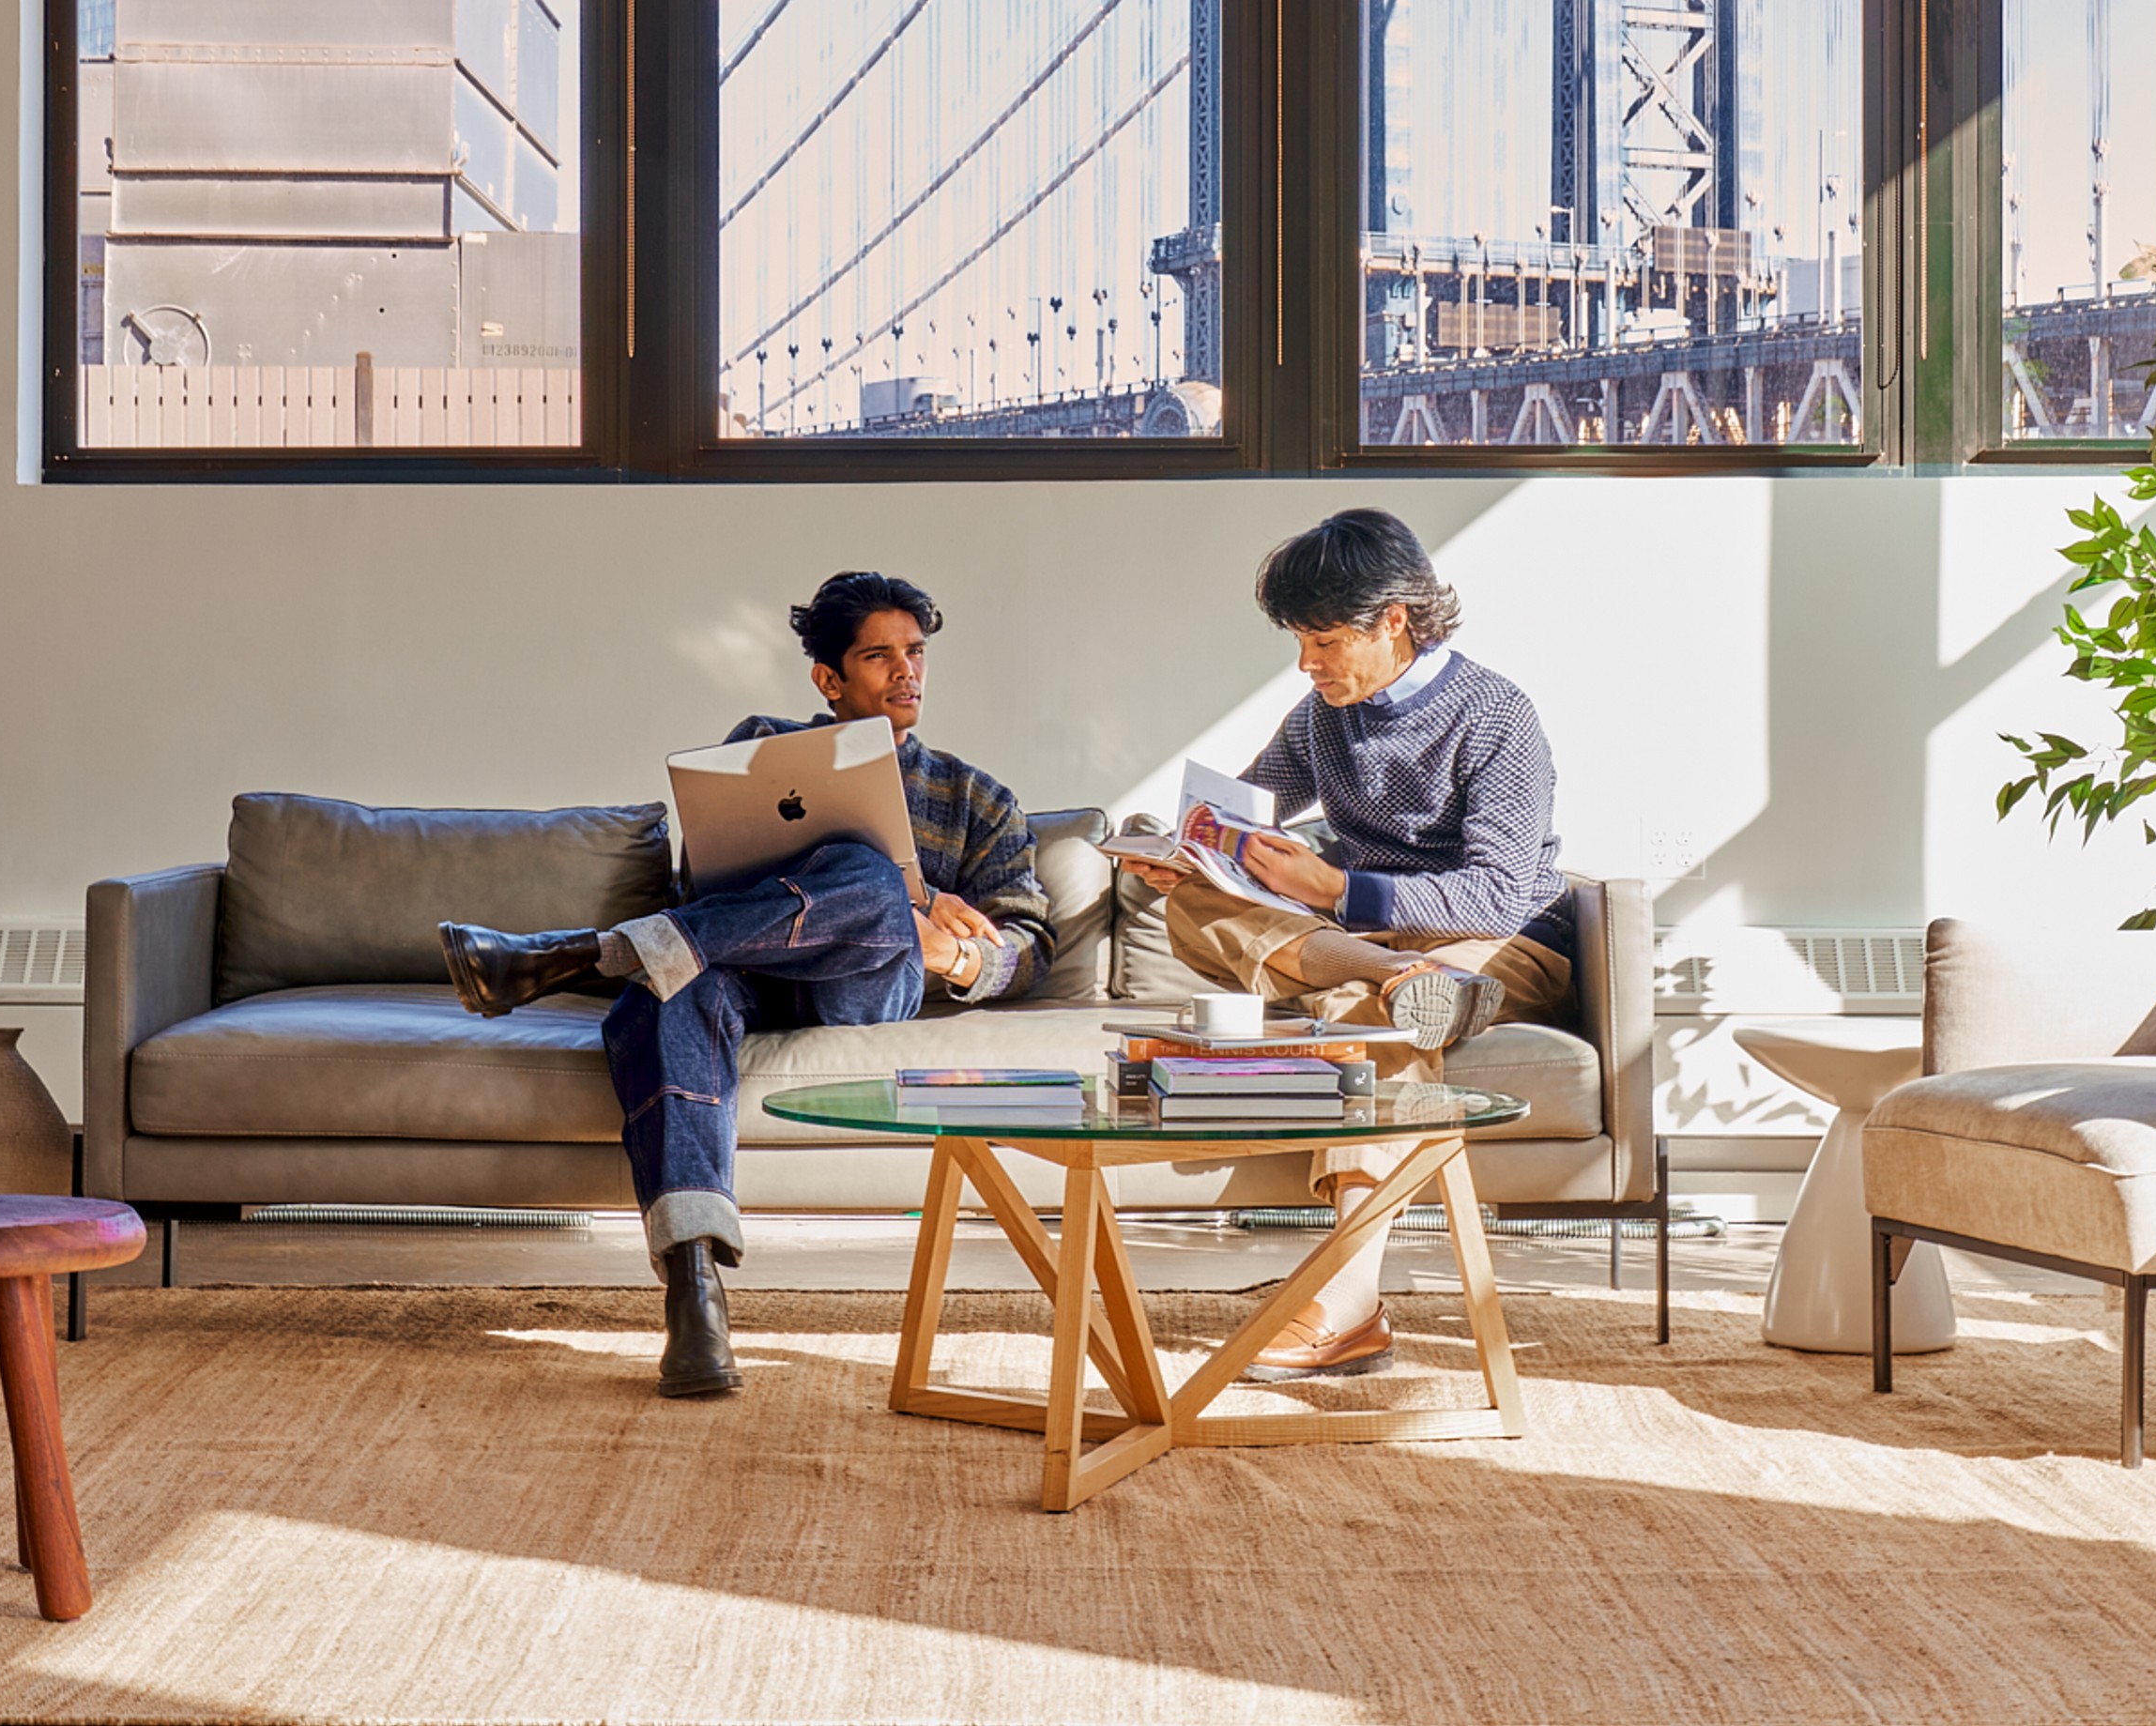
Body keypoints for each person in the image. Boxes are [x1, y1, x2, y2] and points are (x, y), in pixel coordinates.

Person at [436, 571, 1050, 1399]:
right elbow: (708, 879)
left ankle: (589, 952)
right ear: (828, 679)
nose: (906, 671)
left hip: (861, 988)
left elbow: (1030, 945)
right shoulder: (764, 745)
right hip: (739, 972)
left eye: (915, 652)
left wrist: (946, 949)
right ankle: (695, 1296)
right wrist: (909, 892)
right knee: (668, 990)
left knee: (872, 886)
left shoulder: (979, 798)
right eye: (879, 656)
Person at [1114, 507, 1571, 1383]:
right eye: (1299, 640)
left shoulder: (1498, 716)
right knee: (1196, 909)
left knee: (1369, 1020)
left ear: (1394, 619)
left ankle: (1349, 1299)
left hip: (1496, 941)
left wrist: (1331, 889)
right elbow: (1245, 808)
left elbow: (1499, 892)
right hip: (1387, 948)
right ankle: (1398, 977)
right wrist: (1188, 853)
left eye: (1323, 640)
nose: (1306, 663)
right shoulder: (1325, 714)